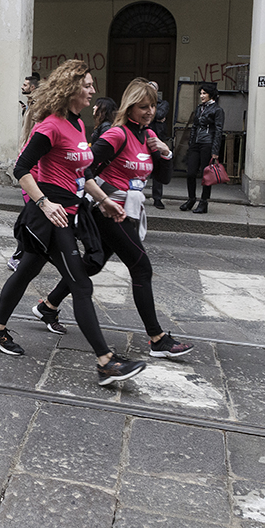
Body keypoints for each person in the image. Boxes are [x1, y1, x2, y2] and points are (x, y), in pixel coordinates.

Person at [0, 59, 147, 386]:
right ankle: (105, 362)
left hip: (70, 210)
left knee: (28, 269)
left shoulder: (79, 125)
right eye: (87, 86)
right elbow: (21, 170)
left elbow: (82, 172)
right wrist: (43, 202)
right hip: (50, 217)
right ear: (71, 89)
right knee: (81, 284)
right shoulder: (50, 126)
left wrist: (104, 200)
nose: (93, 91)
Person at [37, 78, 194, 359]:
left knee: (92, 264)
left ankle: (48, 306)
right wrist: (104, 198)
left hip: (128, 212)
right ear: (129, 107)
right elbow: (83, 169)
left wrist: (165, 152)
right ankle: (157, 338)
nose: (149, 111)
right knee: (141, 268)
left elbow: (163, 178)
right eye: (143, 106)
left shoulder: (146, 137)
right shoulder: (116, 135)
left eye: (153, 106)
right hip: (106, 213)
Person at [180, 82, 225, 214]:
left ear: (211, 94)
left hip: (208, 144)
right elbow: (194, 126)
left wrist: (215, 151)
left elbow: (218, 131)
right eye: (201, 93)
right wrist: (191, 142)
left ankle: (204, 202)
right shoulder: (200, 108)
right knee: (190, 173)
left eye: (204, 93)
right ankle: (191, 199)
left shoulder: (217, 110)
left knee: (206, 176)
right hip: (196, 144)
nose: (201, 95)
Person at [149, 81, 170, 209]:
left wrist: (152, 114)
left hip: (158, 139)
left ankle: (157, 198)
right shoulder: (142, 103)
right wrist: (155, 116)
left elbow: (160, 114)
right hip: (144, 137)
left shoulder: (164, 103)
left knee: (157, 168)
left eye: (153, 89)